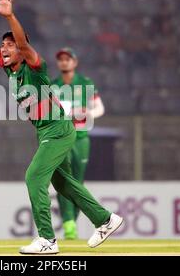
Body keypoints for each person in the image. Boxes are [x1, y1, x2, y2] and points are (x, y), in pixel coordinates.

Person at [0, 0, 123, 254]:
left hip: (58, 128)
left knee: (34, 177)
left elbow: (23, 44)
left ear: (22, 50)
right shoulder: (10, 70)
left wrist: (10, 16)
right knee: (63, 182)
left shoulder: (35, 65)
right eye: (4, 44)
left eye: (11, 44)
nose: (5, 47)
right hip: (46, 130)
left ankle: (47, 239)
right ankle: (105, 219)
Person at [51, 47, 105, 240]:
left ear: (75, 62)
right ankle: (68, 223)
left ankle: (71, 221)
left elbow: (99, 107)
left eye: (68, 59)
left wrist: (89, 113)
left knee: (78, 182)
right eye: (61, 59)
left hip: (81, 138)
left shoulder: (85, 83)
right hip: (61, 138)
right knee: (63, 180)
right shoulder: (53, 85)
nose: (64, 62)